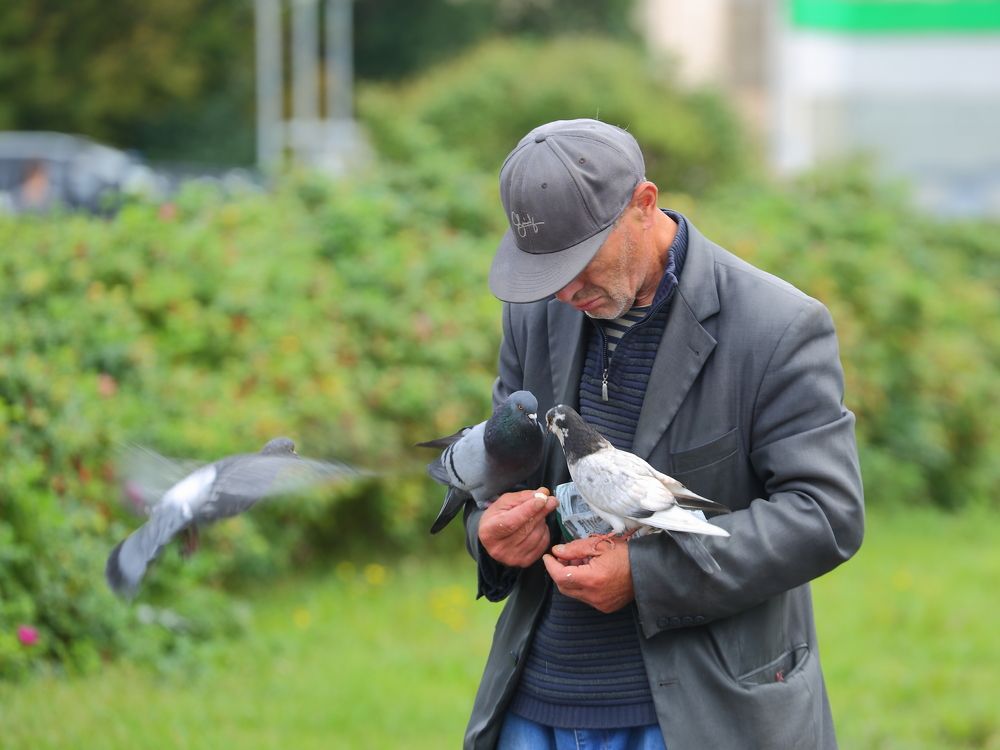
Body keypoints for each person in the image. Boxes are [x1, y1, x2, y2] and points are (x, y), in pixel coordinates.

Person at [432, 118, 865, 750]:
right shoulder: (533, 317)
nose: (564, 289)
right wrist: (491, 536)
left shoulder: (778, 327)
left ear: (644, 204)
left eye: (580, 261)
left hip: (702, 718)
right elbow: (501, 480)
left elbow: (826, 516)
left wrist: (648, 573)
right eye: (545, 270)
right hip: (533, 710)